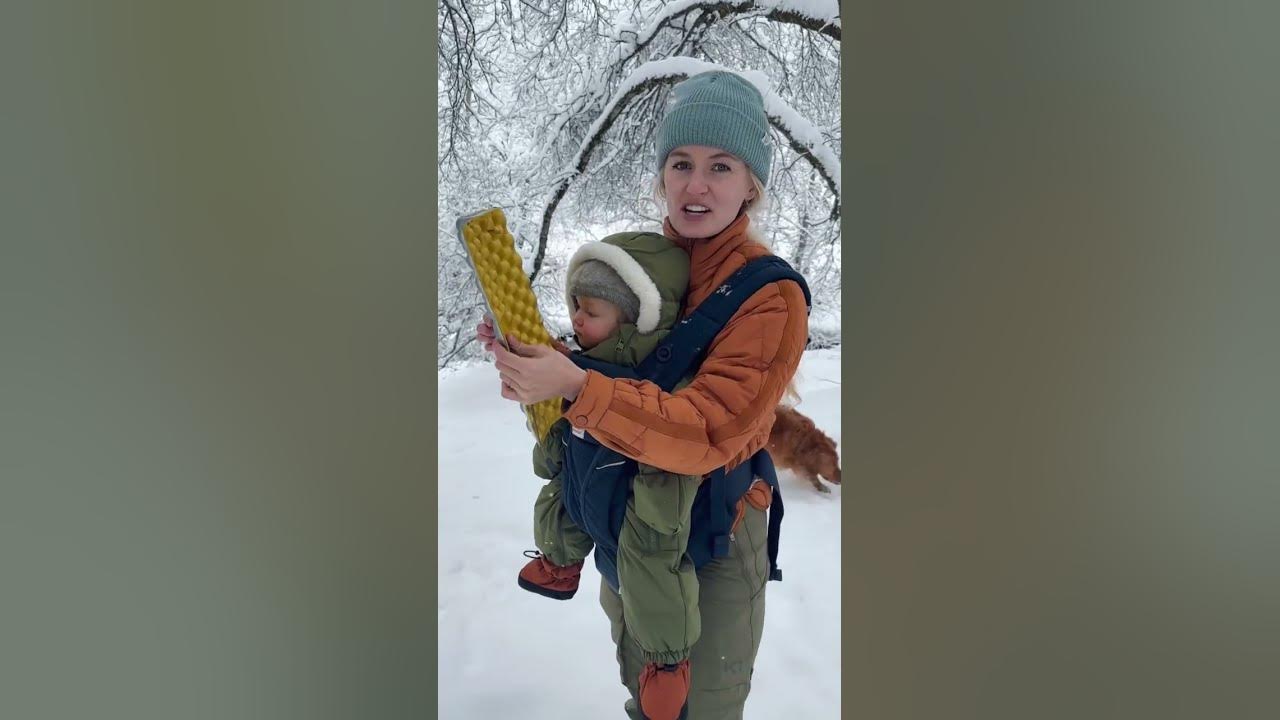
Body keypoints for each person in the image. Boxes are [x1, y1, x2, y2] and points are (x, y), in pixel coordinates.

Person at [478, 70, 809, 720]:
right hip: (630, 523)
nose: (696, 184)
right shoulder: (647, 267)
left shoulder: (770, 295)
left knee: (704, 709)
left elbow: (709, 429)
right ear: (661, 174)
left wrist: (576, 386)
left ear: (751, 185)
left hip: (716, 531)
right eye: (681, 163)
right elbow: (621, 361)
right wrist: (540, 356)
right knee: (645, 693)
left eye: (721, 166)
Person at [518, 231, 706, 719]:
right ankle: (560, 563)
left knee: (651, 565)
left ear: (634, 321)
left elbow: (670, 468)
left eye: (592, 311)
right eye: (576, 305)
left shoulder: (659, 385)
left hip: (638, 521)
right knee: (559, 499)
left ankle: (667, 664)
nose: (576, 318)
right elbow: (553, 450)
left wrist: (652, 508)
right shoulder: (581, 366)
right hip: (592, 504)